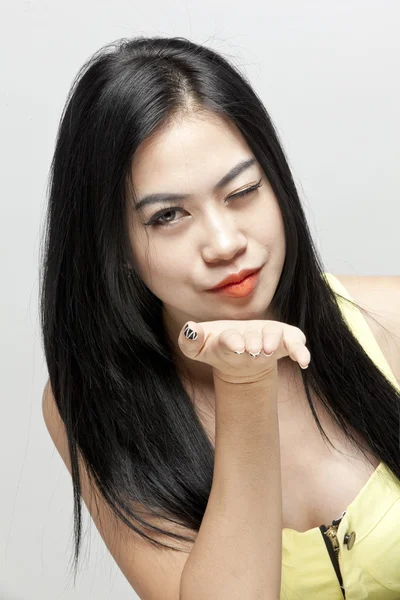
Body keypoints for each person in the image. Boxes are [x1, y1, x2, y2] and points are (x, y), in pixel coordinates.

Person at [40, 35, 400, 599]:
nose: (225, 242)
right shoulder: (92, 399)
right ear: (112, 243)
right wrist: (244, 381)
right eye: (168, 216)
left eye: (243, 191)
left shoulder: (391, 318)